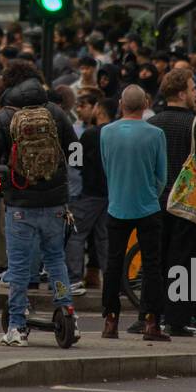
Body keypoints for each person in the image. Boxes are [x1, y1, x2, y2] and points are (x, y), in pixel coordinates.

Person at [0, 61, 80, 347]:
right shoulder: (55, 111)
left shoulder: (4, 116)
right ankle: (67, 309)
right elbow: (74, 147)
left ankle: (16, 325)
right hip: (55, 202)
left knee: (18, 267)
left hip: (19, 203)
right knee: (55, 260)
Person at [141, 69, 196, 336]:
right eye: (193, 88)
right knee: (182, 262)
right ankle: (176, 319)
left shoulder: (152, 124)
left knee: (155, 260)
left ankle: (149, 314)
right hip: (185, 205)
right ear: (182, 93)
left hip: (154, 202)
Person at [97, 85, 168, 341]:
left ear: (120, 104)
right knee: (152, 265)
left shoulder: (106, 132)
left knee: (113, 263)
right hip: (148, 206)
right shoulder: (156, 134)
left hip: (117, 205)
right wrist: (150, 192)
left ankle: (110, 320)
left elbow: (107, 168)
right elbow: (162, 176)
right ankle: (151, 322)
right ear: (146, 102)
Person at [67, 92, 109, 295]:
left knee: (76, 235)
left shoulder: (89, 134)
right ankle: (112, 280)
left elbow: (75, 162)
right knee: (104, 237)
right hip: (110, 193)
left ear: (98, 109)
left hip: (88, 192)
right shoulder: (116, 132)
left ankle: (74, 278)